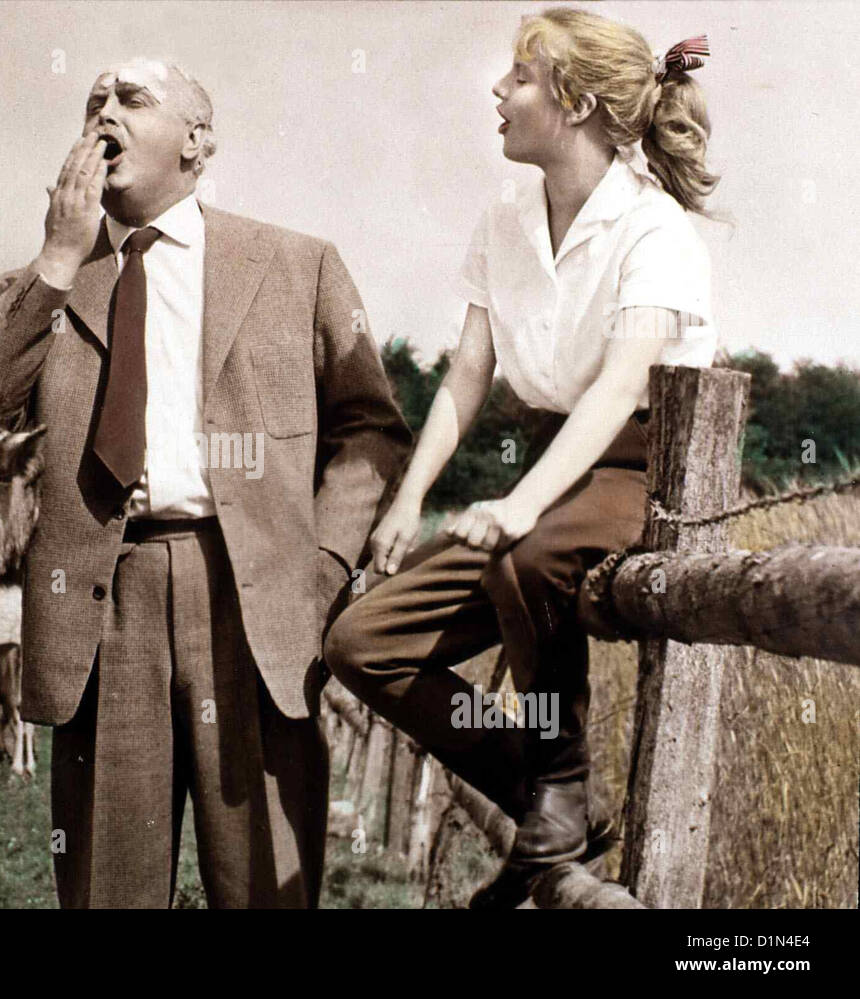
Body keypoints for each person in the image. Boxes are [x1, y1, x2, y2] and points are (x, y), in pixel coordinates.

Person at [0, 57, 411, 908]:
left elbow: (372, 429)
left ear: (198, 141)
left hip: (258, 606)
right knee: (107, 890)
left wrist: (322, 565)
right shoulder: (41, 286)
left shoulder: (297, 265)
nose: (102, 113)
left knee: (268, 884)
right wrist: (56, 259)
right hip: (101, 606)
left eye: (131, 98)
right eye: (92, 101)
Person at [323, 7, 718, 907]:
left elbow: (623, 388)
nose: (498, 92)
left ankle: (556, 791)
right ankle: (550, 797)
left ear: (573, 103)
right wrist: (407, 496)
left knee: (524, 550)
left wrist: (521, 505)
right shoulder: (505, 215)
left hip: (651, 465)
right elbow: (467, 372)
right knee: (362, 643)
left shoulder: (654, 229)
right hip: (557, 462)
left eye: (520, 77)